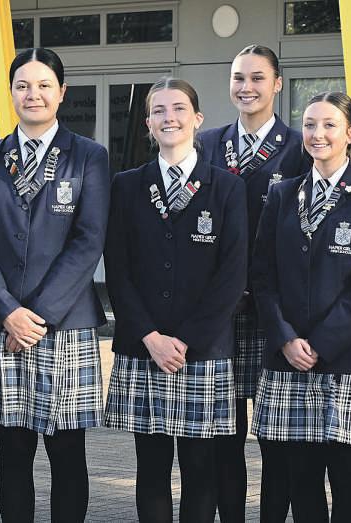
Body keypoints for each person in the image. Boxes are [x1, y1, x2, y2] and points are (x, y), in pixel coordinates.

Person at [0, 47, 111, 523]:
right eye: (22, 85)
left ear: (62, 92)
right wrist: (8, 311)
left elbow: (89, 240)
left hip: (62, 324)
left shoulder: (89, 156)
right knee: (13, 455)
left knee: (68, 455)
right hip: (0, 323)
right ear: (11, 93)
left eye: (44, 85)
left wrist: (34, 317)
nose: (33, 94)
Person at [103, 77, 249, 523]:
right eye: (159, 111)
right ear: (148, 124)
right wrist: (150, 336)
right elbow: (118, 269)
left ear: (197, 118)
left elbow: (232, 275)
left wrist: (185, 340)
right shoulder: (127, 185)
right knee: (150, 469)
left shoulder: (226, 187)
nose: (170, 118)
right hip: (143, 347)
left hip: (201, 350)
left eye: (179, 109)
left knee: (201, 470)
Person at [252, 91, 351, 522]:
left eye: (330, 125)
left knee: (350, 479)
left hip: (347, 359)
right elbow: (262, 275)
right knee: (300, 479)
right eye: (310, 124)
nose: (318, 133)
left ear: (350, 133)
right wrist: (285, 338)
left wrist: (320, 343)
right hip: (289, 359)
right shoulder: (283, 194)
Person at [194, 44, 311, 523]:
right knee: (224, 431)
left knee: (277, 435)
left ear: (278, 84)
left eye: (258, 78)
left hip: (274, 312)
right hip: (219, 312)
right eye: (238, 78)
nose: (247, 87)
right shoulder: (207, 143)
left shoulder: (301, 146)